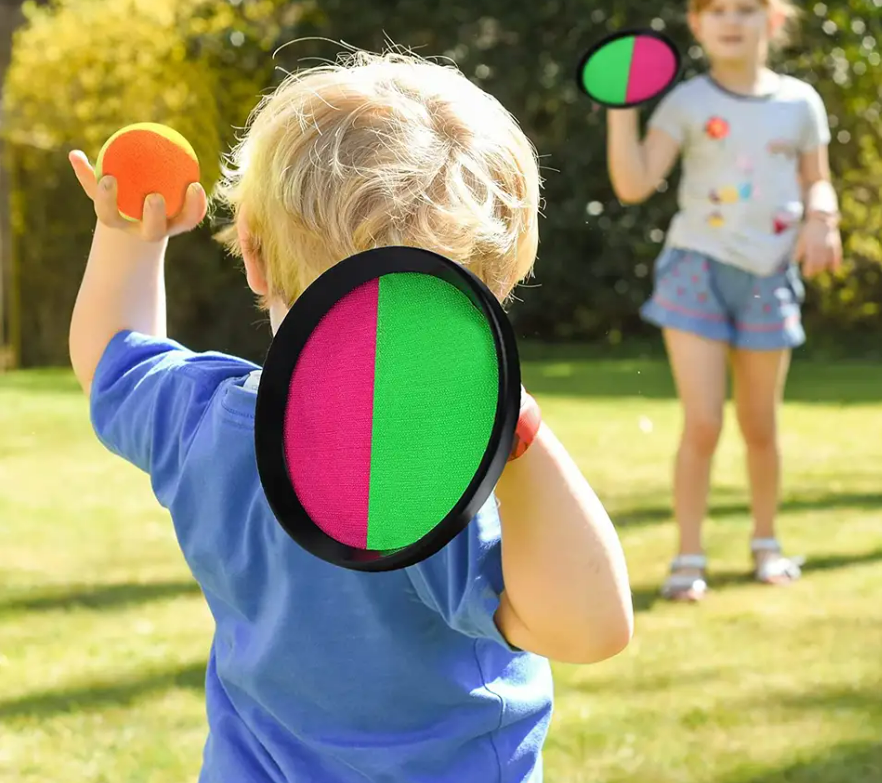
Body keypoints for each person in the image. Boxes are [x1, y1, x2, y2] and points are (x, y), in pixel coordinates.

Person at [68, 50, 633, 782]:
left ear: (253, 254)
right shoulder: (421, 484)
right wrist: (519, 434)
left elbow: (112, 356)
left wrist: (126, 236)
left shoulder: (200, 414)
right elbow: (589, 626)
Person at [606, 0, 842, 602]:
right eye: (717, 10)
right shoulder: (684, 102)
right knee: (703, 422)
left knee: (760, 426)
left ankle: (767, 544)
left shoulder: (800, 103)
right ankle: (688, 555)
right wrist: (620, 109)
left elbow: (816, 179)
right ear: (696, 23)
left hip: (770, 274)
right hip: (696, 271)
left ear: (773, 19)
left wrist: (823, 217)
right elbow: (633, 183)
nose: (731, 21)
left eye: (745, 8)